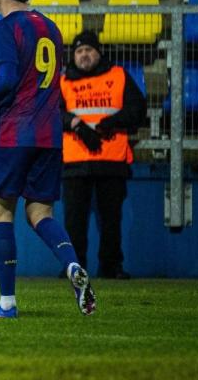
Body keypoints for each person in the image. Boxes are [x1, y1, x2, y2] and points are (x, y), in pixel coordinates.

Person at [0, 0, 96, 319]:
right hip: (49, 135)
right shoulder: (50, 27)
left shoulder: (6, 28)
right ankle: (71, 265)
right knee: (41, 213)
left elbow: (7, 80)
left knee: (1, 210)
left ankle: (7, 303)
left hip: (13, 132)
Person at [60, 30, 146, 280]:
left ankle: (111, 267)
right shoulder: (64, 81)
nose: (84, 55)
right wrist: (75, 123)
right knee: (74, 223)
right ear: (73, 56)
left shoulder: (118, 75)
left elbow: (138, 109)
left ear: (99, 53)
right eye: (79, 51)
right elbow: (52, 114)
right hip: (75, 162)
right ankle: (74, 269)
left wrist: (113, 121)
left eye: (88, 50)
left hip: (111, 161)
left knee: (111, 221)